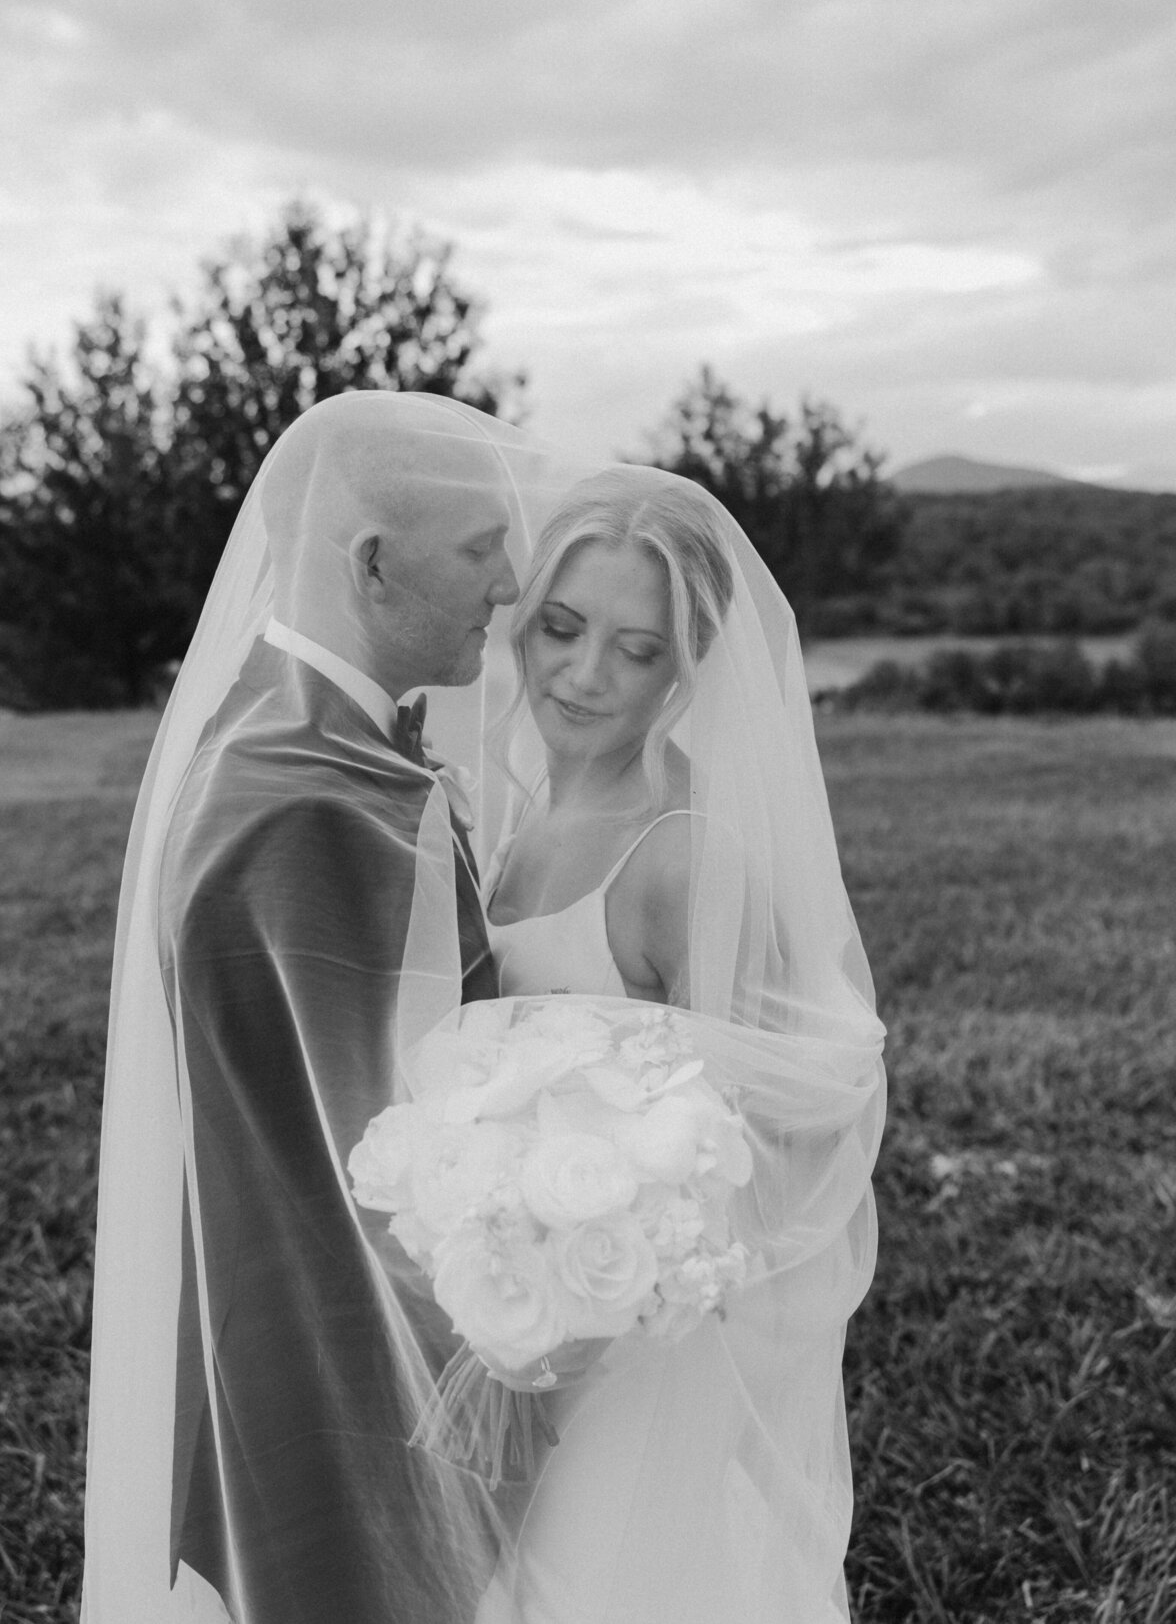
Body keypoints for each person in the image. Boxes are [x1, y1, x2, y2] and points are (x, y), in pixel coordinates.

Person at [81, 391, 525, 1624]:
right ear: (373, 563)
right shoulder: (305, 805)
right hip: (335, 1382)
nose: (511, 580)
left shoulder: (292, 734)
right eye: (483, 546)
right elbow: (361, 1163)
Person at [468, 465, 886, 1623]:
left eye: (636, 649)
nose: (583, 673)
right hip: (508, 1307)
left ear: (686, 670)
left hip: (630, 1347)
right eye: (561, 627)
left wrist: (586, 1296)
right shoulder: (511, 821)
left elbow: (772, 1124)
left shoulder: (682, 855)